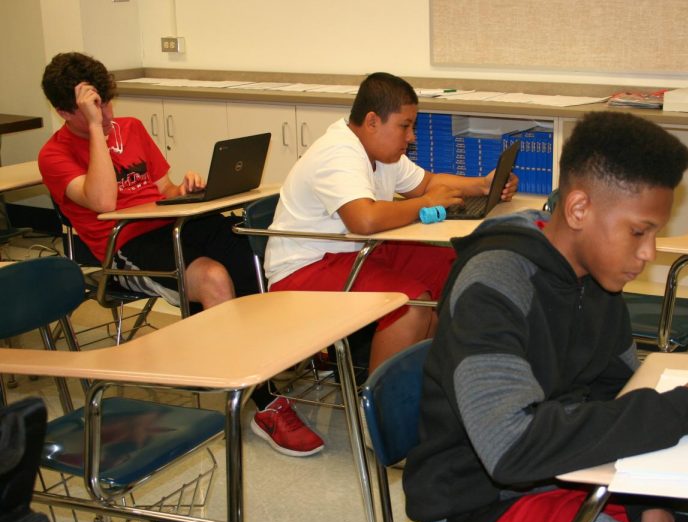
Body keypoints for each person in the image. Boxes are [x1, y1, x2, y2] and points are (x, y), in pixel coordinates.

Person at [402, 111, 688, 522]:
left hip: (574, 469)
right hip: (484, 503)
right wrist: (686, 411)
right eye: (639, 231)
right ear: (578, 210)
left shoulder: (597, 280)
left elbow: (620, 393)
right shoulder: (494, 285)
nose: (650, 253)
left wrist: (648, 506)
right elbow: (512, 448)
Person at [257, 72, 517, 457]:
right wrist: (429, 204)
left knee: (455, 266)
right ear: (373, 121)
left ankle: (429, 390)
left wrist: (481, 184)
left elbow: (426, 182)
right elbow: (363, 220)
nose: (411, 136)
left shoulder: (380, 150)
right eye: (406, 126)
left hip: (353, 251)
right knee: (410, 304)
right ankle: (379, 417)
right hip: (304, 270)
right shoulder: (339, 153)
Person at [38, 52, 258, 312]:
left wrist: (185, 190)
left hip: (174, 224)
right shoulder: (54, 155)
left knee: (255, 253)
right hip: (125, 244)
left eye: (106, 103)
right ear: (63, 112)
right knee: (213, 278)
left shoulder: (132, 128)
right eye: (92, 110)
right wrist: (97, 130)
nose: (106, 115)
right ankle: (224, 352)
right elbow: (104, 202)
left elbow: (165, 190)